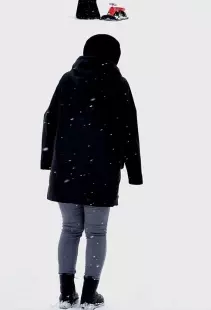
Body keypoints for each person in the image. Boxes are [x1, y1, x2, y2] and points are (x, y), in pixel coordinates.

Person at [41, 34, 143, 308]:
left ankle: (66, 293)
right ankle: (89, 295)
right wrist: (134, 171)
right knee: (96, 232)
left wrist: (48, 159)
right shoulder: (118, 84)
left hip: (66, 168)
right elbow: (129, 129)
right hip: (102, 168)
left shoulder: (67, 80)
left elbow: (50, 119)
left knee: (69, 228)